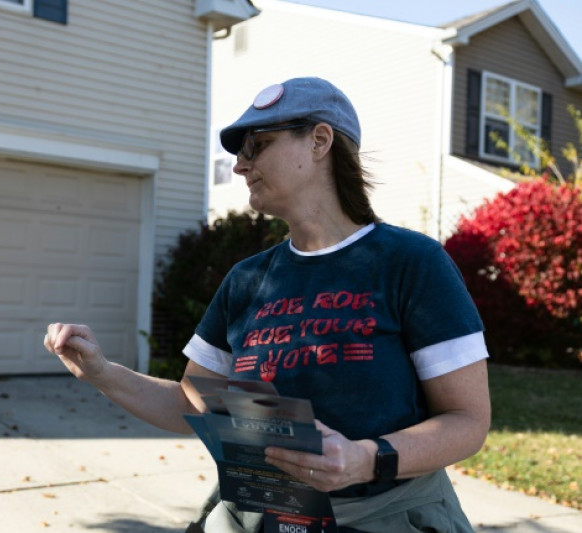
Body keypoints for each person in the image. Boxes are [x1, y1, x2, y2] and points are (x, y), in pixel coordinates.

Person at [44, 77, 491, 532]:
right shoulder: (247, 280)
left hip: (384, 517)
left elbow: (468, 421)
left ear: (319, 141)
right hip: (260, 516)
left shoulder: (411, 263)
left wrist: (364, 460)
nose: (239, 166)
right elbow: (195, 402)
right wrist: (102, 372)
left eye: (256, 146)